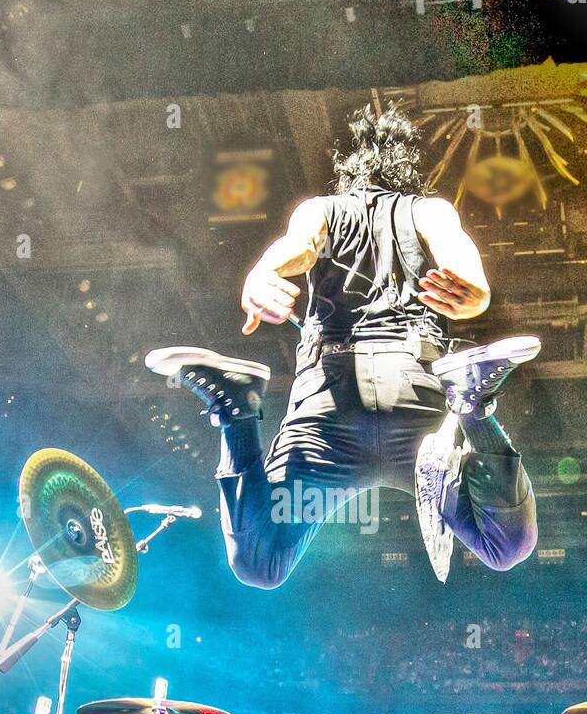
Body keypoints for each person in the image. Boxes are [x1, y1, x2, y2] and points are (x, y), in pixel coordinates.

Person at [146, 104, 538, 589]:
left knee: (258, 564)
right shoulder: (429, 210)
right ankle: (473, 404)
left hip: (329, 410)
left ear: (347, 172)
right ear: (404, 170)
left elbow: (301, 246)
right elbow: (460, 254)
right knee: (507, 547)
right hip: (415, 402)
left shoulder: (321, 209)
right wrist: (477, 292)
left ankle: (237, 408)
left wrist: (261, 274)